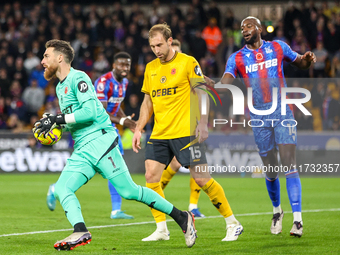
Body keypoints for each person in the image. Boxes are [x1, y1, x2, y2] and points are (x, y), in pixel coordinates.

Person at [34, 39, 197, 250]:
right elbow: (72, 120)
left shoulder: (78, 78)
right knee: (62, 188)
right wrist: (54, 129)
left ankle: (182, 217)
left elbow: (91, 112)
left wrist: (57, 119)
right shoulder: (60, 87)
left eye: (46, 56)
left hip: (101, 141)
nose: (42, 61)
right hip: (83, 148)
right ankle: (80, 230)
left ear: (59, 57)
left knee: (129, 191)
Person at [132, 23, 242, 242]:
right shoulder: (151, 68)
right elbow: (147, 101)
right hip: (160, 133)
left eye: (160, 45)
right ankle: (162, 228)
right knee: (151, 177)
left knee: (201, 179)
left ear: (170, 41)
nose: (156, 50)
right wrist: (139, 127)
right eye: (153, 46)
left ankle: (232, 223)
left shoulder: (187, 62)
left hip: (186, 132)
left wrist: (202, 123)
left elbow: (202, 93)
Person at [220, 16, 316, 237]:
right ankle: (277, 211)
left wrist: (307, 59)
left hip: (282, 110)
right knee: (271, 169)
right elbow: (225, 83)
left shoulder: (277, 47)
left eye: (249, 26)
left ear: (260, 29)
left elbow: (299, 61)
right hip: (259, 117)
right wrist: (210, 83)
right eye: (242, 28)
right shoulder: (236, 58)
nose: (245, 30)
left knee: (289, 164)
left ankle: (298, 220)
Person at [46, 52, 136, 220]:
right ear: (114, 65)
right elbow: (100, 111)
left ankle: (116, 209)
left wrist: (124, 118)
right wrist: (124, 122)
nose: (125, 68)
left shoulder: (124, 82)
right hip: (95, 129)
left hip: (109, 129)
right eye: (122, 64)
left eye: (128, 65)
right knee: (105, 167)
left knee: (110, 167)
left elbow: (116, 105)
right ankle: (57, 188)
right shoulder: (103, 83)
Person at [160, 39, 205, 218]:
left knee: (196, 164)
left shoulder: (189, 66)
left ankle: (193, 206)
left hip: (191, 122)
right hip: (173, 124)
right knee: (177, 164)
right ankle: (156, 194)